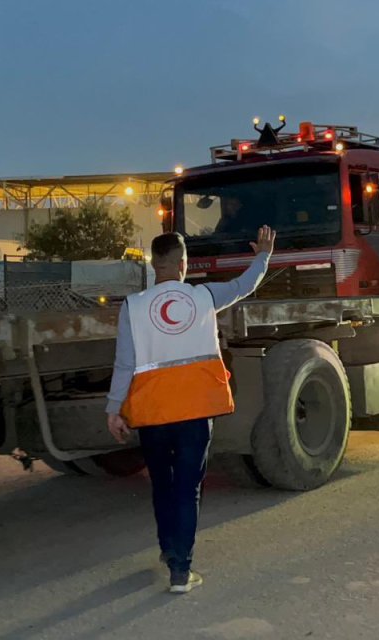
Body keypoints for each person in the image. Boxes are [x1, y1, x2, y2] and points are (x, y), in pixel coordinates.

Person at [105, 225, 276, 593]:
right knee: (187, 489)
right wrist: (262, 255)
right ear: (183, 264)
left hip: (152, 415)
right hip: (195, 413)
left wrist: (113, 410)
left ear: (154, 264)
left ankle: (169, 550)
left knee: (162, 486)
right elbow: (245, 285)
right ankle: (181, 569)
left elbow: (124, 364)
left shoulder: (132, 308)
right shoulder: (204, 297)